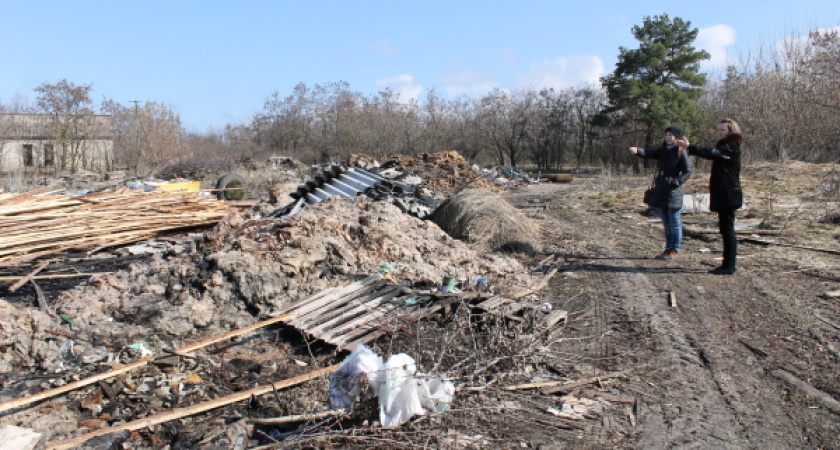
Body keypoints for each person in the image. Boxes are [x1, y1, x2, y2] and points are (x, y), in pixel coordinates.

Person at [676, 118, 743, 275]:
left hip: (729, 194)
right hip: (724, 193)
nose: (719, 132)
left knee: (727, 230)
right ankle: (727, 264)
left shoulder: (731, 146)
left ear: (731, 131)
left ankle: (729, 266)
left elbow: (712, 154)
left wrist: (690, 147)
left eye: (723, 130)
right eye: (718, 129)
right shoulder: (725, 145)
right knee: (725, 229)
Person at [630, 126, 692, 259]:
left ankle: (674, 249)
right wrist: (638, 151)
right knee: (666, 223)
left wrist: (675, 182)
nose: (668, 137)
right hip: (661, 190)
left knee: (674, 222)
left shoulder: (681, 152)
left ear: (676, 137)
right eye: (666, 135)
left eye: (671, 135)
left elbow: (688, 172)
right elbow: (649, 153)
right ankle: (668, 248)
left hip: (673, 192)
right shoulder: (662, 150)